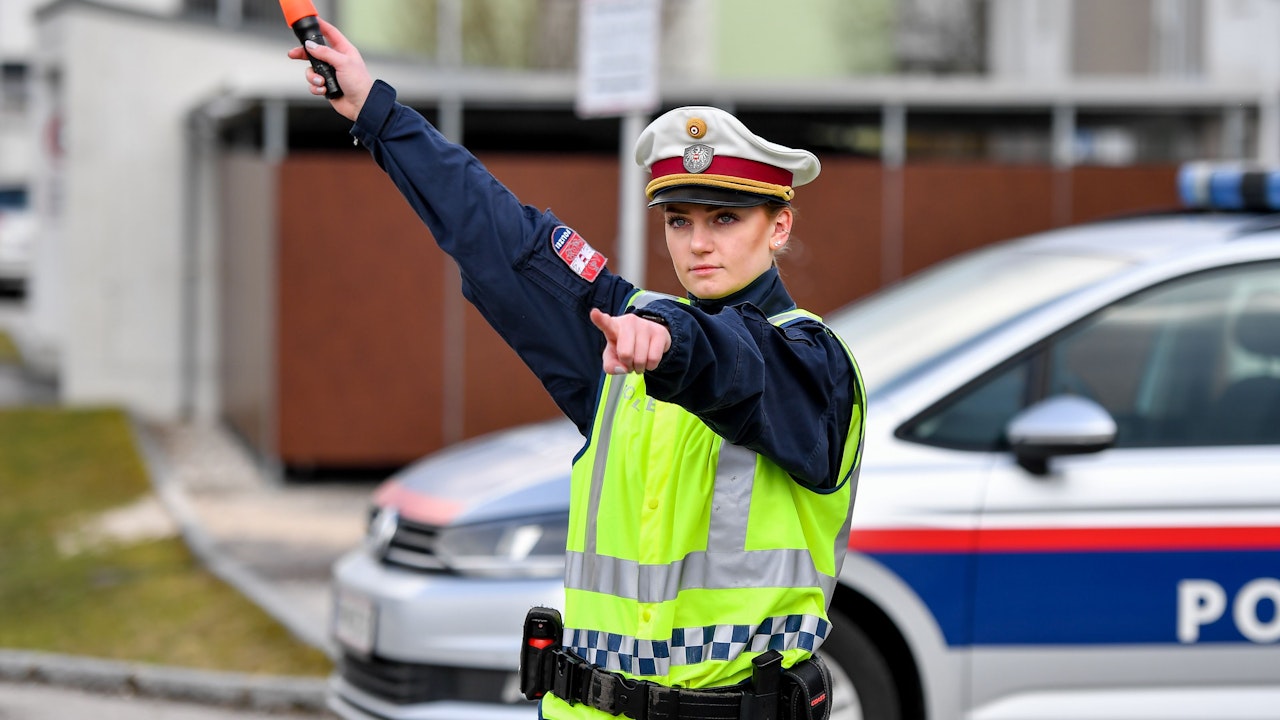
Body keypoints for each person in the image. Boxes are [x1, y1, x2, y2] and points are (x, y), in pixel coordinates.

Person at [290, 19, 866, 720]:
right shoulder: (623, 333)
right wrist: (378, 114)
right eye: (679, 220)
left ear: (779, 227)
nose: (698, 242)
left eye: (725, 219)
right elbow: (506, 242)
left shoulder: (814, 365)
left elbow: (738, 365)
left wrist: (670, 344)